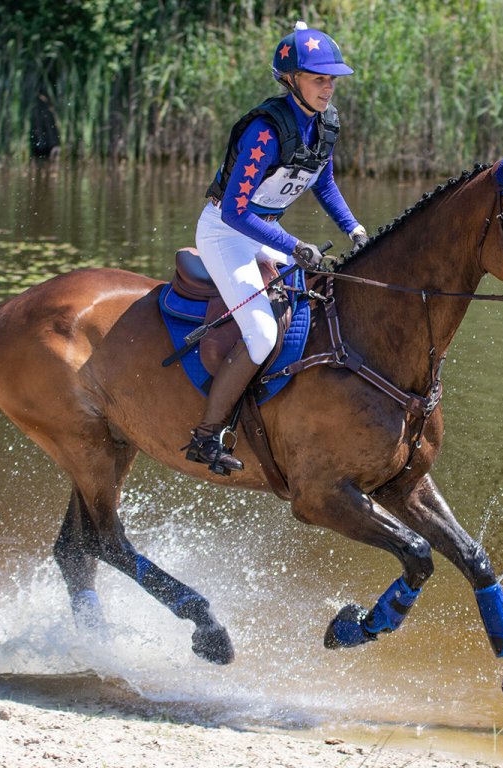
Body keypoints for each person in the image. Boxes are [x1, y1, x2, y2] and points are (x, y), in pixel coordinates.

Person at [185, 21, 368, 475]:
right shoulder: (264, 133)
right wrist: (293, 244)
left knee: (324, 295)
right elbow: (235, 212)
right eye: (318, 79)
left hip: (264, 231)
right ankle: (206, 435)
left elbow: (324, 184)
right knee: (263, 333)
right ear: (291, 79)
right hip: (225, 233)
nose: (328, 88)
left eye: (332, 80)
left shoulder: (325, 125)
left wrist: (355, 229)